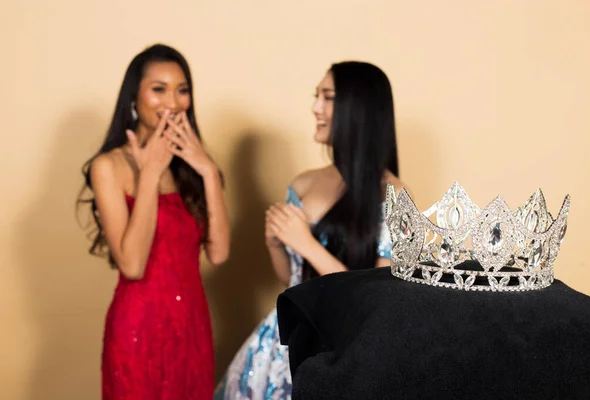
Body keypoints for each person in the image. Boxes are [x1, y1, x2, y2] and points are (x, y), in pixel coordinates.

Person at [215, 61, 406, 399]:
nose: (315, 107)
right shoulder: (303, 183)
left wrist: (305, 243)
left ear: (357, 108)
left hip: (335, 348)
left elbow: (378, 299)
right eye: (316, 96)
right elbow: (291, 282)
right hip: (278, 345)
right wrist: (276, 244)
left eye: (327, 97)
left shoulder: (393, 194)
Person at [77, 43, 230, 400]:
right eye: (158, 89)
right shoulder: (109, 166)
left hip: (192, 327)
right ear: (135, 97)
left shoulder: (193, 167)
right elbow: (131, 264)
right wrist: (149, 174)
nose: (172, 103)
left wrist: (207, 170)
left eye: (182, 90)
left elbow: (219, 253)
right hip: (137, 329)